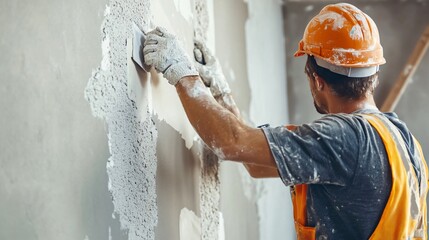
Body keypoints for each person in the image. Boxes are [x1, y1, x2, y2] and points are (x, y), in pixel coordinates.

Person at [143, 3, 428, 239]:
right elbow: (255, 162)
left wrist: (181, 71)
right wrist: (220, 91)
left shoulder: (342, 140)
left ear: (317, 80)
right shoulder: (405, 143)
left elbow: (231, 143)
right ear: (373, 76)